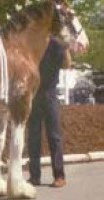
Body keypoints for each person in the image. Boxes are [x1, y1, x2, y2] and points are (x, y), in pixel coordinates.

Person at [27, 36, 72, 187]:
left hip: (50, 94)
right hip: (33, 95)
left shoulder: (56, 44)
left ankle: (59, 176)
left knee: (54, 136)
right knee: (33, 137)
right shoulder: (32, 42)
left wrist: (66, 48)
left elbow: (67, 65)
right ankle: (34, 177)